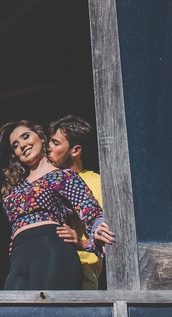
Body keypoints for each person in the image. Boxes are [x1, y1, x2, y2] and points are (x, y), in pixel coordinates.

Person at [0, 119, 105, 290]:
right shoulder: (14, 187)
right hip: (19, 259)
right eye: (15, 145)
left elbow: (92, 213)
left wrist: (89, 241)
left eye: (26, 137)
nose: (22, 145)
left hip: (52, 252)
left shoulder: (63, 176)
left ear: (41, 137)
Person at [48, 115, 116, 289]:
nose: (48, 148)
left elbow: (111, 237)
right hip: (46, 273)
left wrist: (79, 242)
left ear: (75, 150)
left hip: (82, 277)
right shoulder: (44, 182)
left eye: (55, 143)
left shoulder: (97, 182)